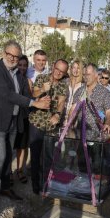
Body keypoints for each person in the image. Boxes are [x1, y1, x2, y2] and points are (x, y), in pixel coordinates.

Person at [0, 40, 50, 208]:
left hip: (13, 120)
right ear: (4, 53)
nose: (12, 58)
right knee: (1, 157)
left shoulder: (19, 73)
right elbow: (8, 94)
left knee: (8, 155)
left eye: (16, 56)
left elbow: (25, 93)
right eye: (9, 54)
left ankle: (5, 187)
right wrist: (34, 104)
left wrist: (39, 100)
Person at [29, 59, 69, 194]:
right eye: (57, 69)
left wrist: (57, 114)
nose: (58, 73)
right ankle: (35, 185)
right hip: (37, 123)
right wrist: (42, 89)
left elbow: (62, 102)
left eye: (62, 72)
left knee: (48, 156)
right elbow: (33, 94)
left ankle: (46, 183)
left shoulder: (63, 86)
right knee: (35, 155)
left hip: (51, 126)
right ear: (53, 66)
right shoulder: (42, 78)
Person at [12, 55, 33, 184]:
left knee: (22, 146)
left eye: (25, 65)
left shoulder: (27, 81)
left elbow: (30, 99)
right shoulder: (10, 79)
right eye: (20, 65)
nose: (22, 67)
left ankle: (20, 170)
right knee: (10, 147)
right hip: (12, 117)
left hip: (24, 117)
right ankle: (8, 172)